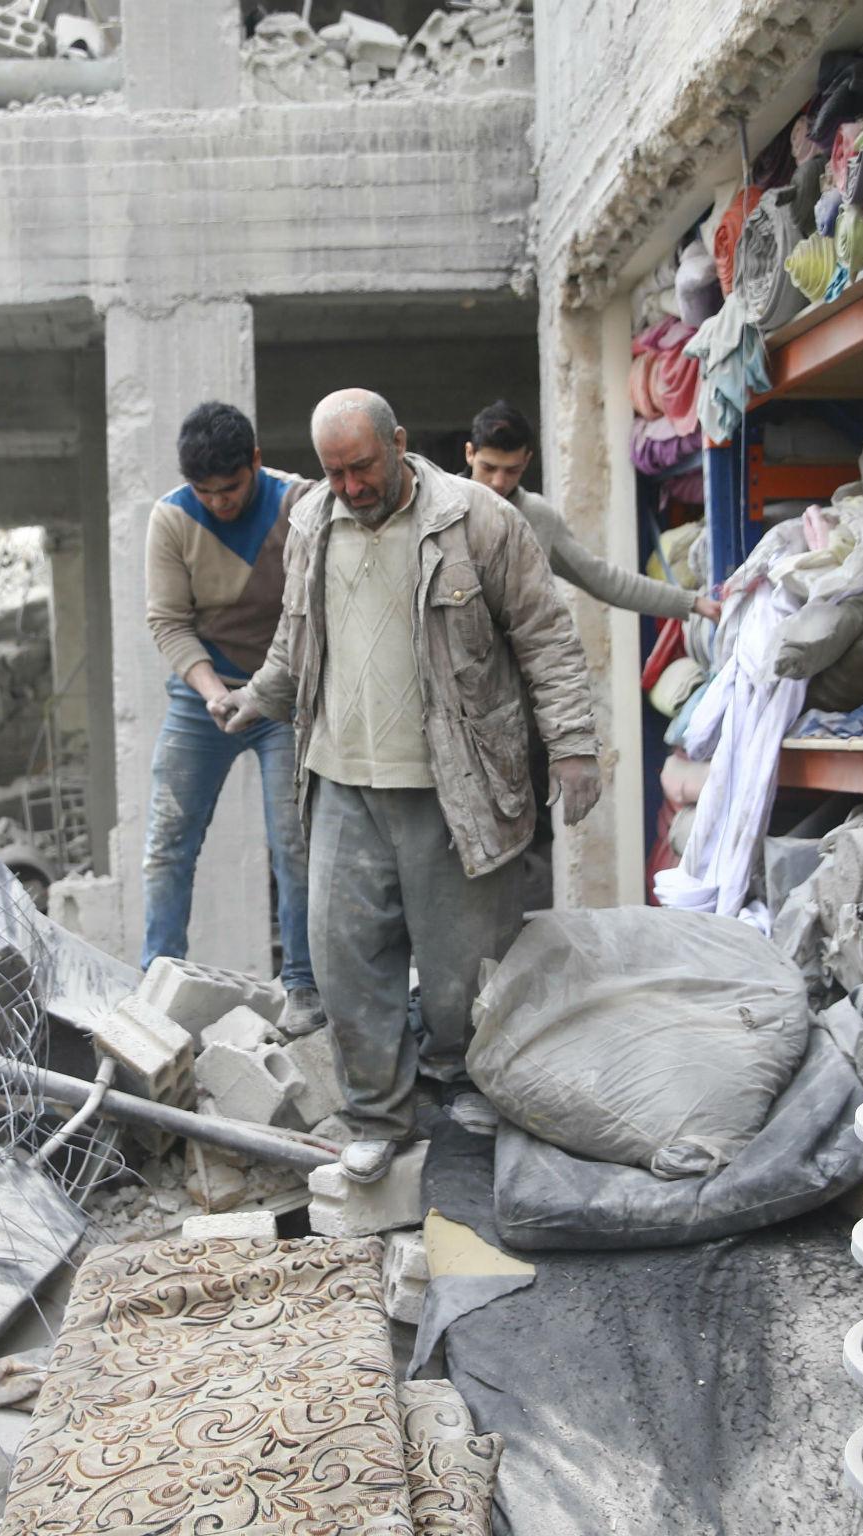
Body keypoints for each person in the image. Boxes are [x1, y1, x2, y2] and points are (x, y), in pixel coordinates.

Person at [213, 389, 602, 1182]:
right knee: (344, 958)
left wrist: (572, 747)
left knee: (461, 966)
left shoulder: (478, 521)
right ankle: (377, 1114)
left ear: (399, 441)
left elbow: (546, 637)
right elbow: (295, 640)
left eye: (362, 467)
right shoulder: (312, 523)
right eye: (334, 471)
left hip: (449, 782)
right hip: (341, 780)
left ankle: (467, 1084)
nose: (350, 486)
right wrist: (257, 696)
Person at [142, 401, 318, 1032]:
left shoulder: (302, 506)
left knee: (294, 846)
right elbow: (168, 620)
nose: (218, 503)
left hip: (283, 697)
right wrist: (212, 688)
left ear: (257, 463)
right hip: (203, 697)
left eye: (232, 488)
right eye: (204, 492)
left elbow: (313, 613)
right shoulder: (171, 518)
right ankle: (156, 983)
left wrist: (267, 691)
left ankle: (302, 986)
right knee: (168, 843)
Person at [463, 400, 722, 623]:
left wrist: (694, 603)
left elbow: (603, 579)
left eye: (511, 471)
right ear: (470, 453)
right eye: (489, 467)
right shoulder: (438, 509)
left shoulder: (537, 517)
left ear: (527, 461)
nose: (498, 481)